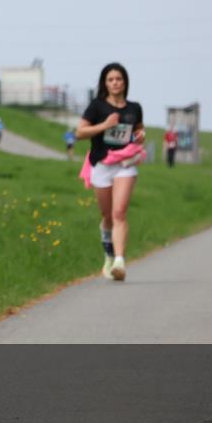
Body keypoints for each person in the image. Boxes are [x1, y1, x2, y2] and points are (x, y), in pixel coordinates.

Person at [76, 62, 144, 281]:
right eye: (111, 79)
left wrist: (141, 135)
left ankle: (120, 261)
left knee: (119, 213)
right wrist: (104, 126)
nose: (115, 83)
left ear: (125, 82)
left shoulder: (134, 108)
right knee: (107, 216)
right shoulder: (97, 106)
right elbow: (80, 133)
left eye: (119, 79)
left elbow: (138, 130)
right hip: (102, 165)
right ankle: (108, 255)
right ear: (105, 83)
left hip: (125, 165)